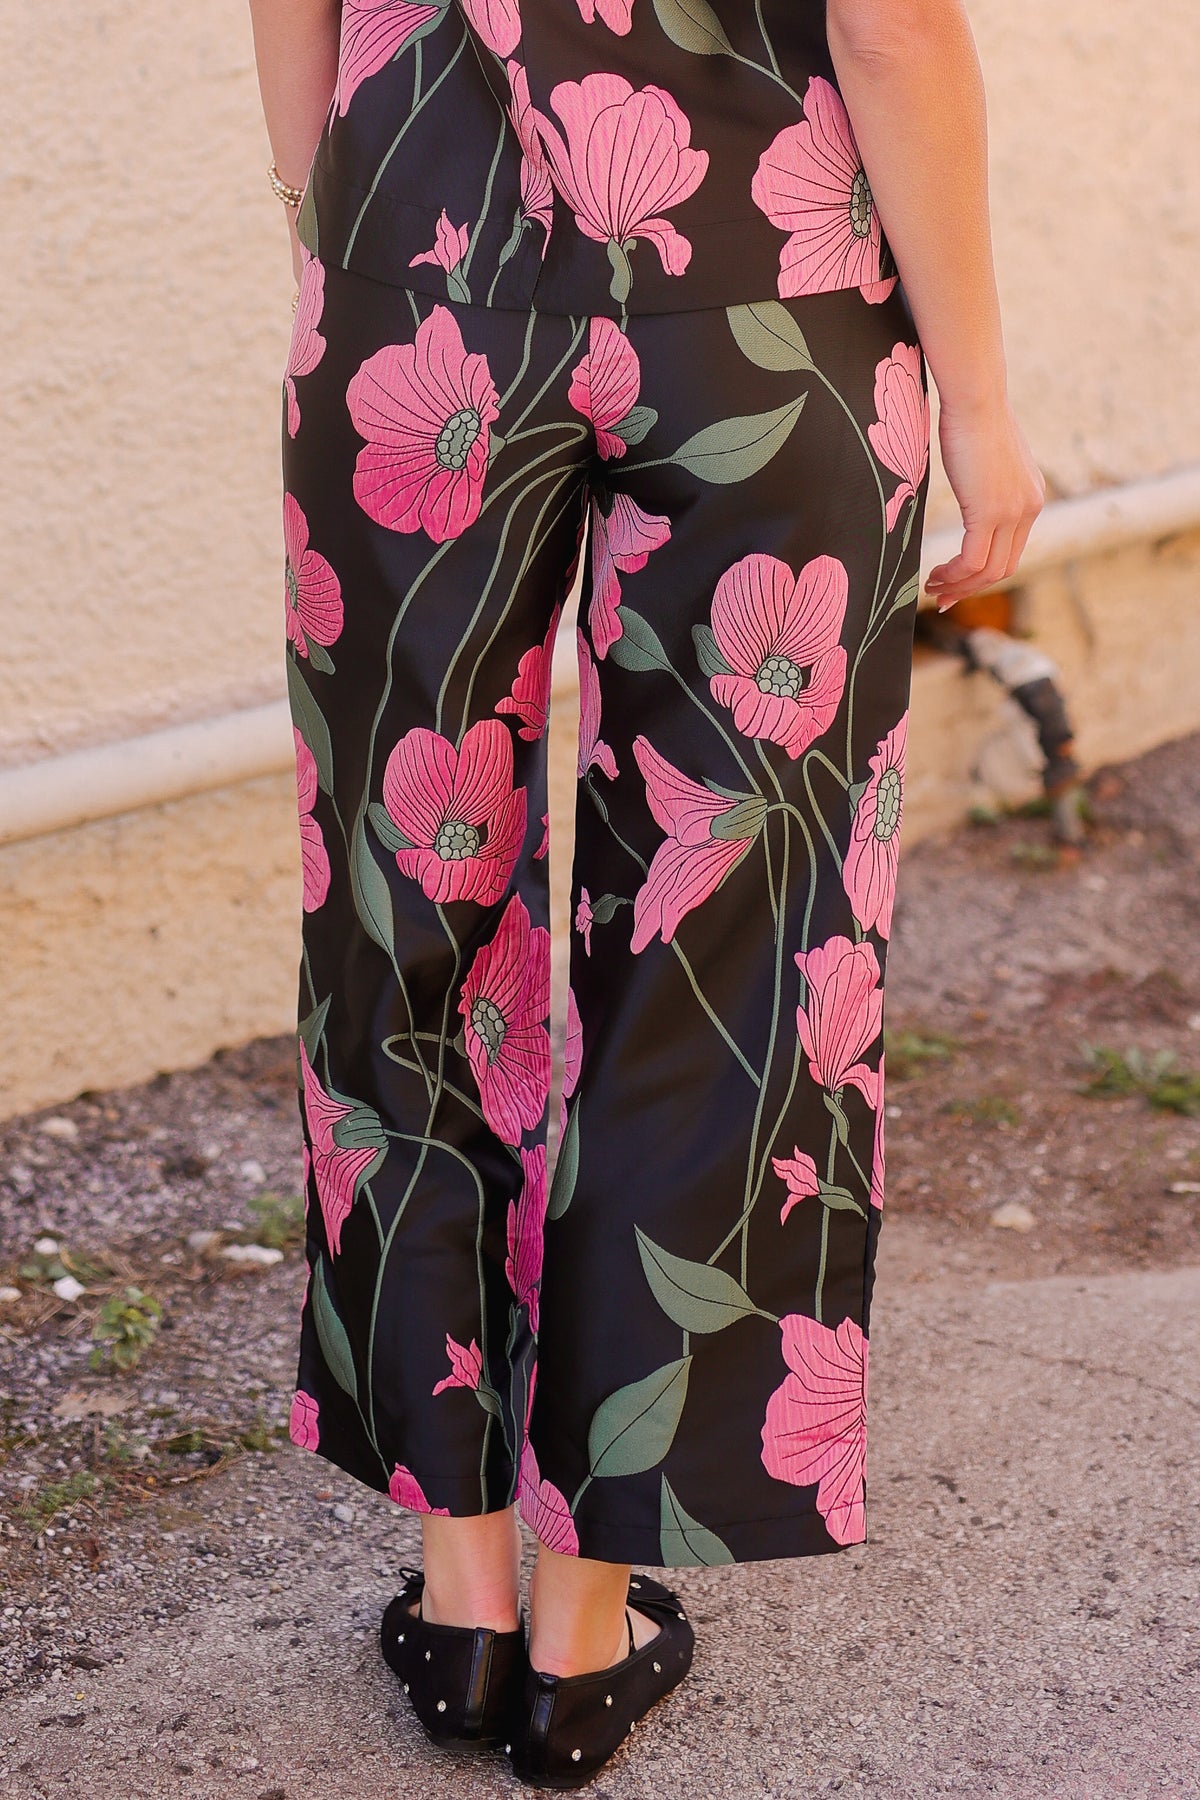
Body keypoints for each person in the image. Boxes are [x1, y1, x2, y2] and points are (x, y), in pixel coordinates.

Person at [249, 0, 1043, 1785]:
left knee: (401, 887)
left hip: (417, 260)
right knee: (729, 931)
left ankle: (460, 1589)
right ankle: (581, 1627)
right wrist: (982, 400)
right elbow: (896, 25)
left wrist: (336, 195)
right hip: (773, 290)